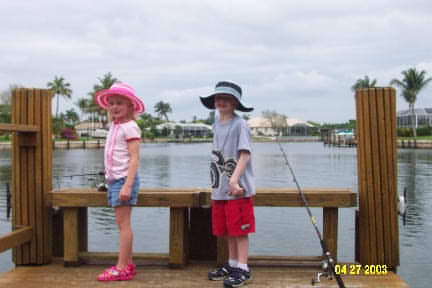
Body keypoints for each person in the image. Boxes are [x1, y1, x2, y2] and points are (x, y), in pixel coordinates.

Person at [200, 81, 256, 287]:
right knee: (227, 230)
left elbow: (245, 154)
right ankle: (232, 264)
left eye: (227, 98)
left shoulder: (239, 124)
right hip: (220, 189)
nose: (221, 101)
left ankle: (243, 268)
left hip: (237, 189)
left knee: (239, 230)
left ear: (235, 103)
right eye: (218, 98)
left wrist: (234, 179)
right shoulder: (216, 125)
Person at [94, 82, 145, 281]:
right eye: (112, 103)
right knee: (121, 223)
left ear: (130, 106)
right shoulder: (115, 126)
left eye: (120, 103)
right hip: (115, 181)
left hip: (124, 180)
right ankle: (128, 264)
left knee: (123, 225)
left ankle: (122, 267)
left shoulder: (130, 127)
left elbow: (134, 159)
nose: (114, 107)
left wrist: (127, 185)